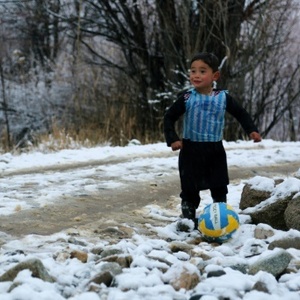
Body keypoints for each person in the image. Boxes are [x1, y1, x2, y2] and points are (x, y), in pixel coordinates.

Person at [163, 52, 262, 227]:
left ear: (215, 75)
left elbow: (241, 113)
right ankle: (188, 217)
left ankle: (220, 216)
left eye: (202, 71)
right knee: (189, 187)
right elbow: (169, 117)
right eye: (193, 71)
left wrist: (251, 130)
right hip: (190, 150)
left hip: (215, 150)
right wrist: (173, 139)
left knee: (218, 184)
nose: (196, 75)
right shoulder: (186, 98)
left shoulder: (223, 98)